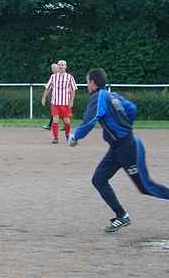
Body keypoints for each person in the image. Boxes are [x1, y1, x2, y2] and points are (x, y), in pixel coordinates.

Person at [68, 68, 169, 232]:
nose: (87, 85)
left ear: (93, 83)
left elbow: (90, 119)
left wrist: (75, 137)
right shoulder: (111, 95)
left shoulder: (98, 96)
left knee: (146, 187)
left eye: (88, 82)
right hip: (118, 147)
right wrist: (124, 126)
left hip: (128, 147)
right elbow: (132, 109)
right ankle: (122, 215)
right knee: (99, 179)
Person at [41, 59, 77, 144]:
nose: (61, 66)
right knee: (55, 120)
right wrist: (43, 97)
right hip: (55, 103)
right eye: (59, 65)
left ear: (65, 67)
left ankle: (68, 135)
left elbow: (73, 90)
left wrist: (71, 101)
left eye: (62, 65)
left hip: (65, 103)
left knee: (67, 122)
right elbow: (48, 88)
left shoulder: (69, 77)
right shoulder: (53, 77)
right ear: (57, 66)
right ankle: (55, 138)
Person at [41, 63, 59, 130]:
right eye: (52, 68)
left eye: (54, 67)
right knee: (54, 112)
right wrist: (44, 97)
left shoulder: (64, 76)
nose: (53, 69)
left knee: (60, 113)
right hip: (55, 98)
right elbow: (49, 86)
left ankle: (50, 125)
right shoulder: (53, 76)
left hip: (62, 98)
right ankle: (50, 125)